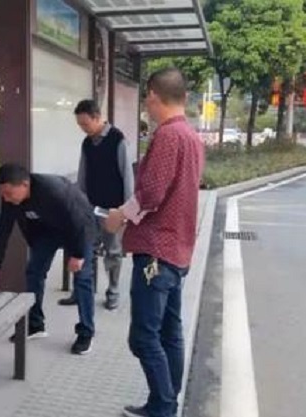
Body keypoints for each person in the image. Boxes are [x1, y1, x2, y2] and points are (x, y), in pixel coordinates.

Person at [104, 68, 205, 417]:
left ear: (151, 96)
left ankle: (163, 407)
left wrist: (120, 215)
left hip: (156, 253)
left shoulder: (167, 135)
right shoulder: (191, 136)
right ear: (184, 97)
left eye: (146, 98)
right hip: (178, 251)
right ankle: (165, 401)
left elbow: (152, 193)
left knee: (144, 337)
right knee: (170, 332)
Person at [0, 163, 98, 355]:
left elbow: (79, 221)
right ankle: (35, 325)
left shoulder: (54, 191)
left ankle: (86, 332)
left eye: (9, 193)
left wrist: (77, 255)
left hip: (79, 228)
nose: (6, 198)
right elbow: (2, 232)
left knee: (82, 277)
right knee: (34, 271)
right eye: (3, 194)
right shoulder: (11, 200)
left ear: (25, 185)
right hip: (47, 231)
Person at [58, 99, 133, 311]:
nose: (83, 128)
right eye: (80, 125)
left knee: (113, 252)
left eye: (85, 124)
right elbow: (82, 175)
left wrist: (125, 212)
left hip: (112, 210)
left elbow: (128, 177)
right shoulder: (87, 143)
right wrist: (79, 203)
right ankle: (82, 291)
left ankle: (113, 292)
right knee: (85, 249)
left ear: (97, 117)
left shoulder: (118, 140)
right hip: (90, 208)